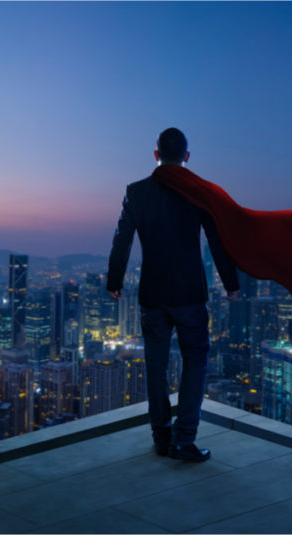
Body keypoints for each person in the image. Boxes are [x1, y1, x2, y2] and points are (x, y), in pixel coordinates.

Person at [106, 127, 239, 462]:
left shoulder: (137, 192)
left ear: (156, 156)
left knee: (156, 366)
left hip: (153, 294)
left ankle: (161, 437)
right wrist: (231, 283)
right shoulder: (199, 193)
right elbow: (217, 240)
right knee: (195, 361)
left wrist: (114, 280)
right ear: (187, 157)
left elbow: (122, 238)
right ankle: (184, 439)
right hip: (191, 294)